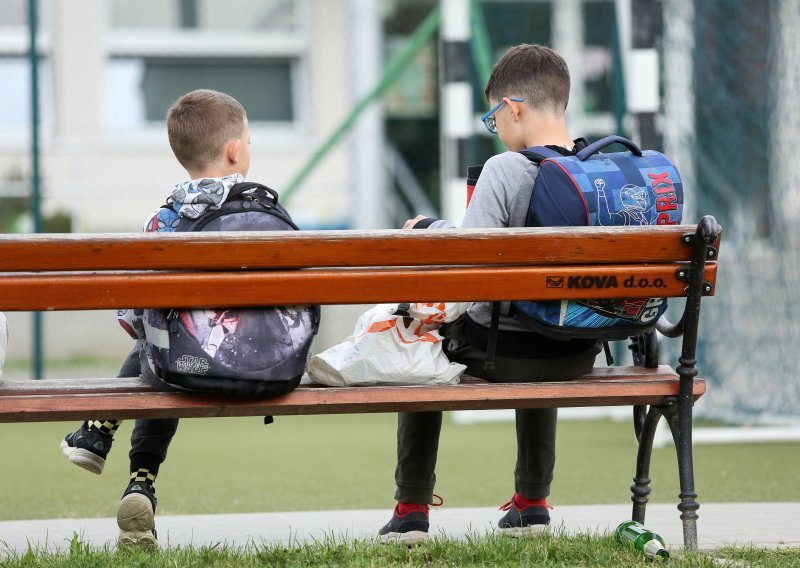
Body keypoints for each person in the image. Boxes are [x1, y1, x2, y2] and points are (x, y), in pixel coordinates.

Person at [378, 44, 602, 544]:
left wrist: (431, 229)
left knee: (424, 336)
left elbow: (468, 270)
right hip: (578, 353)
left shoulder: (504, 170)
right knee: (543, 317)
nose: (495, 129)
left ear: (513, 108)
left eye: (493, 116)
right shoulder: (597, 172)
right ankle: (533, 503)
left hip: (504, 355)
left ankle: (411, 508)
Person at [60, 89, 254, 549]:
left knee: (159, 339)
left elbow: (135, 317)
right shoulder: (259, 212)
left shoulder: (163, 221)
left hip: (180, 362)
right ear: (234, 150)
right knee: (169, 344)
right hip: (255, 359)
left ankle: (112, 443)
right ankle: (137, 474)